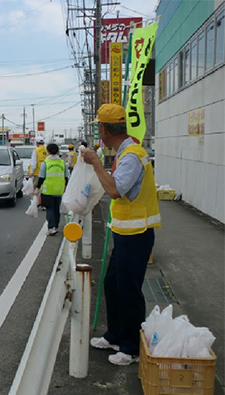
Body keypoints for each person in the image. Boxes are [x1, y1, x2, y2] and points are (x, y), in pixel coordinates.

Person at [83, 103, 161, 366]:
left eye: (99, 128)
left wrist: (95, 163)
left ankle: (131, 348)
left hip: (136, 234)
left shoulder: (130, 155)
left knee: (129, 291)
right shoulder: (126, 152)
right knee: (112, 285)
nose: (98, 133)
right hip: (126, 232)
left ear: (104, 129)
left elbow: (116, 190)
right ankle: (115, 335)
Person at [33, 143, 69, 235]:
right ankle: (56, 226)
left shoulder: (46, 163)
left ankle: (51, 227)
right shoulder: (62, 162)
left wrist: (37, 188)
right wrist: (65, 187)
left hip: (48, 190)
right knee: (57, 209)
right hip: (59, 190)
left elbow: (41, 177)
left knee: (49, 209)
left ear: (48, 151)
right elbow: (66, 177)